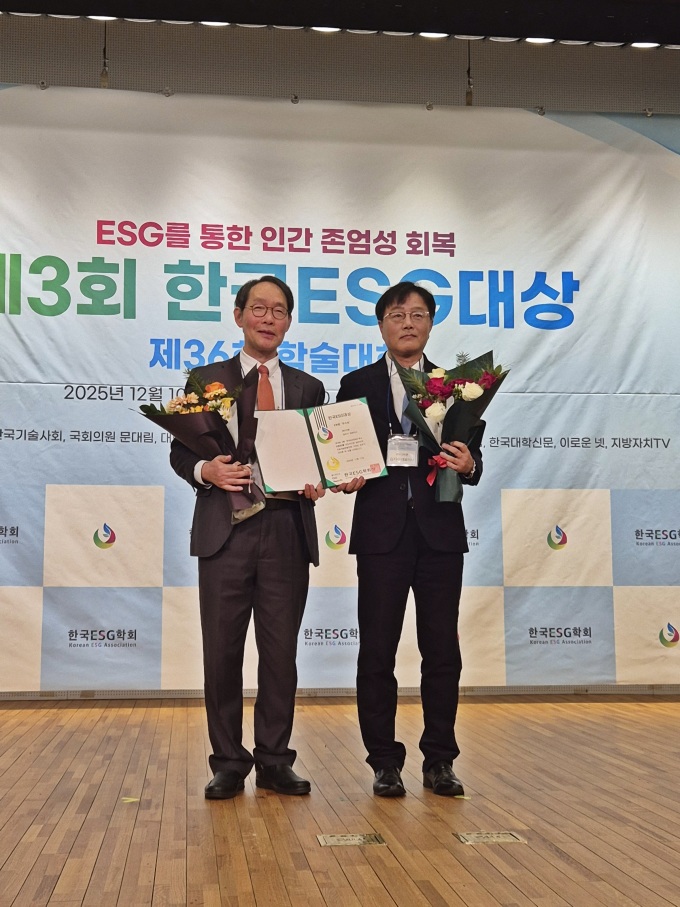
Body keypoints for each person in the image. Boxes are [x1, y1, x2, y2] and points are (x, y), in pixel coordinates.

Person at [170, 276, 325, 799]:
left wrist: (319, 478)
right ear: (238, 316)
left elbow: (320, 454)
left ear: (289, 322)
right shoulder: (205, 379)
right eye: (258, 308)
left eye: (279, 310)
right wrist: (206, 471)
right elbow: (180, 451)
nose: (268, 318)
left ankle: (275, 760)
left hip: (286, 528)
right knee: (222, 651)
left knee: (280, 653)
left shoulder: (308, 387)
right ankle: (228, 762)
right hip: (226, 530)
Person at [335, 281, 483, 798]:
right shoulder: (356, 383)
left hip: (439, 533)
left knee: (442, 652)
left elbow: (471, 459)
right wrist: (343, 473)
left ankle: (440, 759)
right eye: (397, 314)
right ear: (381, 324)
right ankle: (383, 761)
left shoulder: (457, 386)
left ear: (431, 324)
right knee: (377, 651)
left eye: (418, 314)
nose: (408, 323)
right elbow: (339, 452)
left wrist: (469, 465)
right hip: (381, 534)